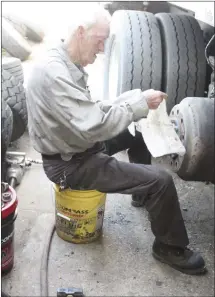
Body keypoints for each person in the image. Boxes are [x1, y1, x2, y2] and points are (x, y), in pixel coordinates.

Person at [26, 5, 206, 275]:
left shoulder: (62, 61)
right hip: (71, 164)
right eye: (99, 40)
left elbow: (89, 110)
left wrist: (135, 101)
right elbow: (94, 125)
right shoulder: (54, 72)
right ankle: (169, 247)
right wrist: (137, 104)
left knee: (138, 128)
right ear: (80, 32)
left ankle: (141, 195)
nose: (101, 49)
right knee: (162, 181)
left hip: (78, 146)